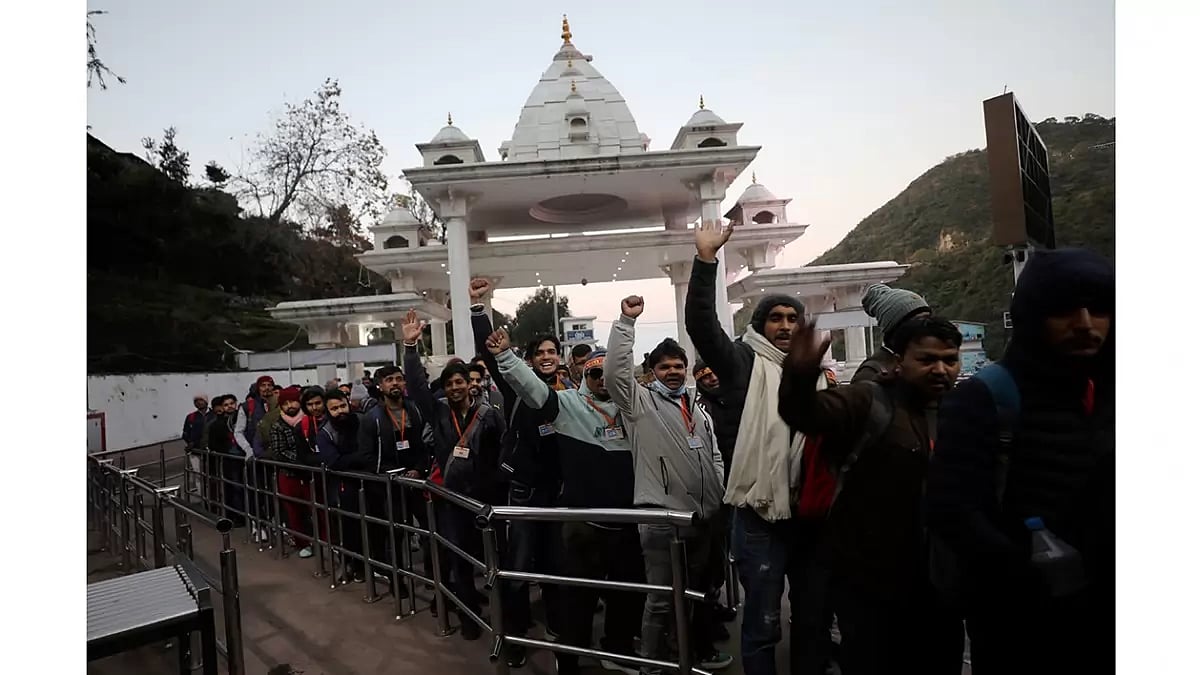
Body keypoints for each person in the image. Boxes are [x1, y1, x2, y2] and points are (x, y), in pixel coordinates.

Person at [926, 248, 1114, 675]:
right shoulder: (984, 399)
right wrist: (1026, 574)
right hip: (1024, 624)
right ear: (1032, 316)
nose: (1085, 324)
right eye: (1064, 310)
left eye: (1099, 308)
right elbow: (952, 510)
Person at [778, 314, 965, 675]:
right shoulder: (868, 401)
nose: (941, 370)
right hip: (870, 585)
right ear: (899, 361)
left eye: (950, 360)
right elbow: (807, 414)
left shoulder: (965, 409)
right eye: (927, 360)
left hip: (941, 586)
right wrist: (799, 375)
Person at [684, 220, 831, 675]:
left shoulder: (819, 374)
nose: (785, 326)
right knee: (763, 622)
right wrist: (706, 260)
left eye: (792, 319)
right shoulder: (743, 362)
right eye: (775, 318)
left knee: (814, 620)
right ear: (761, 325)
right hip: (758, 515)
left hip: (813, 517)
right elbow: (703, 328)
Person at [489, 329, 643, 675]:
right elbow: (531, 388)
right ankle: (570, 659)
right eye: (594, 372)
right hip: (583, 524)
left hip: (628, 523)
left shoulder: (633, 407)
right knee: (578, 599)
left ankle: (616, 649)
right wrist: (505, 356)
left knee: (626, 593)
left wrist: (626, 326)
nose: (602, 379)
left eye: (609, 373)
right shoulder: (567, 404)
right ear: (583, 376)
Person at [604, 295, 731, 672]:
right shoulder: (638, 404)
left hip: (704, 518)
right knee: (661, 599)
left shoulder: (697, 406)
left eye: (679, 366)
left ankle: (685, 657)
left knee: (695, 596)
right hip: (662, 519)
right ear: (652, 371)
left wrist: (719, 486)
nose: (673, 371)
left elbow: (714, 453)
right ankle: (650, 665)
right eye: (664, 367)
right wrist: (626, 324)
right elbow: (614, 373)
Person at [466, 278, 569, 666]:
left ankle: (562, 634)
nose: (547, 356)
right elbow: (492, 356)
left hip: (561, 496)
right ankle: (513, 637)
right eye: (540, 352)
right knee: (518, 569)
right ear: (528, 358)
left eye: (552, 351)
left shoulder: (571, 392)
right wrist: (479, 309)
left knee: (558, 569)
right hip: (524, 495)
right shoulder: (516, 388)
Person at [402, 310, 506, 642]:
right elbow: (417, 386)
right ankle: (468, 618)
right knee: (458, 560)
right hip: (452, 500)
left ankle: (504, 616)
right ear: (444, 389)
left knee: (493, 558)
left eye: (460, 382)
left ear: (471, 384)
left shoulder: (489, 415)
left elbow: (502, 453)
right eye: (449, 384)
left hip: (486, 500)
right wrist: (409, 346)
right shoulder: (439, 411)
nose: (455, 387)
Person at [353, 357, 432, 598]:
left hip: (417, 481)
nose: (395, 383)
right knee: (395, 534)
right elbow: (367, 456)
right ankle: (397, 580)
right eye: (389, 380)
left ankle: (432, 576)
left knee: (430, 530)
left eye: (398, 379)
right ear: (380, 386)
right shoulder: (372, 418)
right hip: (390, 485)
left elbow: (424, 445)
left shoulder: (416, 410)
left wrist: (419, 469)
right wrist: (395, 475)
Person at [267, 386, 317, 558]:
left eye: (293, 401)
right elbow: (278, 452)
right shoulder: (277, 426)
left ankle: (323, 540)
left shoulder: (310, 421)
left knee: (317, 509)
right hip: (289, 475)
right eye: (285, 403)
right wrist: (300, 459)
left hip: (310, 475)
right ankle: (302, 543)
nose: (290, 405)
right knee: (294, 512)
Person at [853, 284, 932, 383]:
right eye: (919, 321)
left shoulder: (931, 362)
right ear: (895, 328)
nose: (928, 327)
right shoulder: (871, 374)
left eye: (929, 319)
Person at [204, 394, 245, 524]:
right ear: (222, 407)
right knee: (233, 487)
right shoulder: (217, 424)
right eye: (226, 405)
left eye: (232, 403)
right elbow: (213, 444)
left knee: (243, 487)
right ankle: (235, 516)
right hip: (229, 461)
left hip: (243, 458)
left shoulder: (242, 419)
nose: (230, 407)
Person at [182, 395, 214, 496]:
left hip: (212, 452)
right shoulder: (191, 417)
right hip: (196, 452)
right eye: (196, 401)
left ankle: (213, 497)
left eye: (201, 400)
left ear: (206, 401)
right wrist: (190, 443)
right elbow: (185, 433)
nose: (198, 402)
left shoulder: (214, 414)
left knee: (212, 476)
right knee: (198, 475)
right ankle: (202, 498)